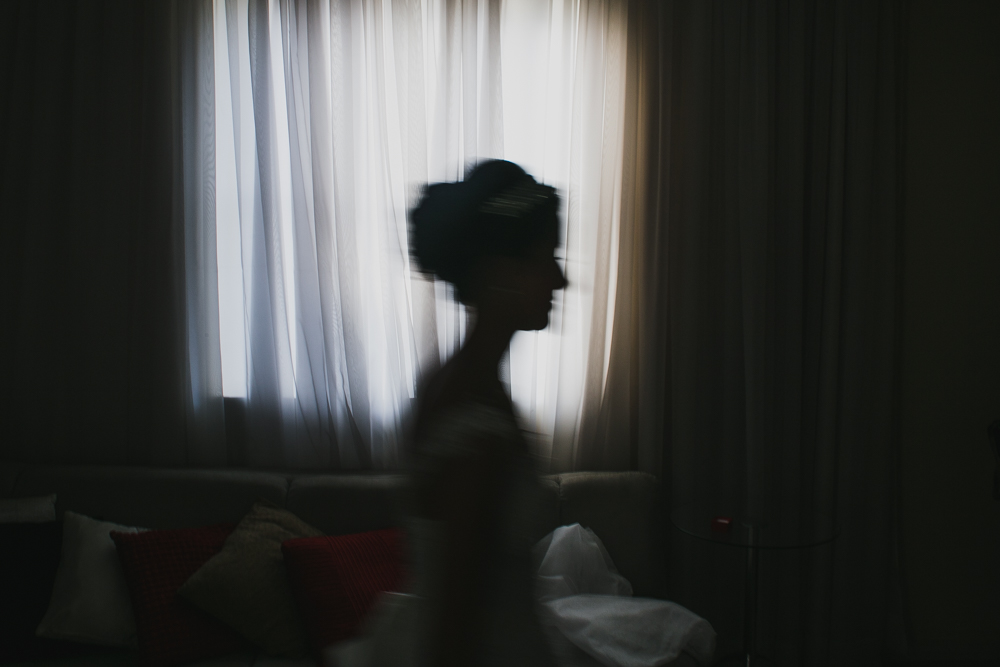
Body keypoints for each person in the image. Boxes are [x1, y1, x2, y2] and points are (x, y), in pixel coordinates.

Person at [329, 159, 567, 667]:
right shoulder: (472, 417)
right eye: (547, 257)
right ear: (501, 272)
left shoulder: (469, 386)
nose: (561, 279)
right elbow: (455, 624)